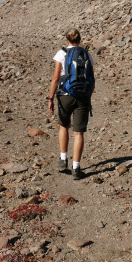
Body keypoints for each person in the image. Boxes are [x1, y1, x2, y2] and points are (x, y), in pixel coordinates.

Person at [47, 29, 95, 179]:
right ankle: (76, 168)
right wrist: (88, 96)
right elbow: (92, 79)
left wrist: (50, 98)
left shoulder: (61, 53)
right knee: (78, 132)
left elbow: (55, 78)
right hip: (83, 96)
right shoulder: (87, 54)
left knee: (63, 126)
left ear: (67, 40)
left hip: (65, 95)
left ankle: (63, 160)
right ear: (79, 40)